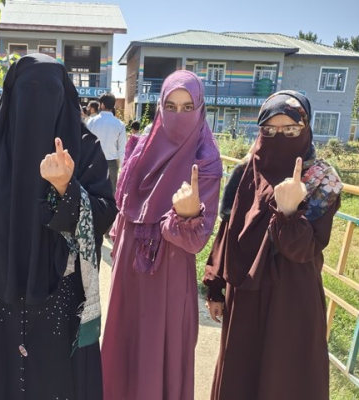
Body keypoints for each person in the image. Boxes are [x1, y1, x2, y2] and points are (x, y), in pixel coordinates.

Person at [0, 53, 117, 400]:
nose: (37, 105)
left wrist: (66, 189)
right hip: (3, 298)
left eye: (49, 93)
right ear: (12, 96)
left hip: (62, 301)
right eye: (28, 92)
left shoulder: (85, 149)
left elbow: (104, 213)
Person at [203, 90, 342, 400]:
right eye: (269, 130)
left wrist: (290, 211)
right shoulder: (245, 170)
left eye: (291, 130)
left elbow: (305, 249)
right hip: (245, 295)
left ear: (305, 129)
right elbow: (227, 230)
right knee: (240, 377)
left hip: (292, 299)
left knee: (285, 380)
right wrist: (215, 284)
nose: (280, 137)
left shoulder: (322, 180)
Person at [101, 70, 222, 400]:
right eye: (170, 106)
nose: (178, 115)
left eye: (187, 107)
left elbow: (196, 240)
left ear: (200, 108)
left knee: (160, 349)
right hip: (128, 265)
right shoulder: (140, 150)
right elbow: (123, 213)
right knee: (124, 345)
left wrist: (184, 216)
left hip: (169, 272)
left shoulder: (206, 160)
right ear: (159, 107)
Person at [86, 92, 126, 194]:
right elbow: (122, 149)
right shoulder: (119, 124)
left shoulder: (91, 122)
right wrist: (123, 168)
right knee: (111, 193)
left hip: (94, 161)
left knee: (93, 192)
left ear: (102, 105)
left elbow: (86, 144)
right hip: (111, 163)